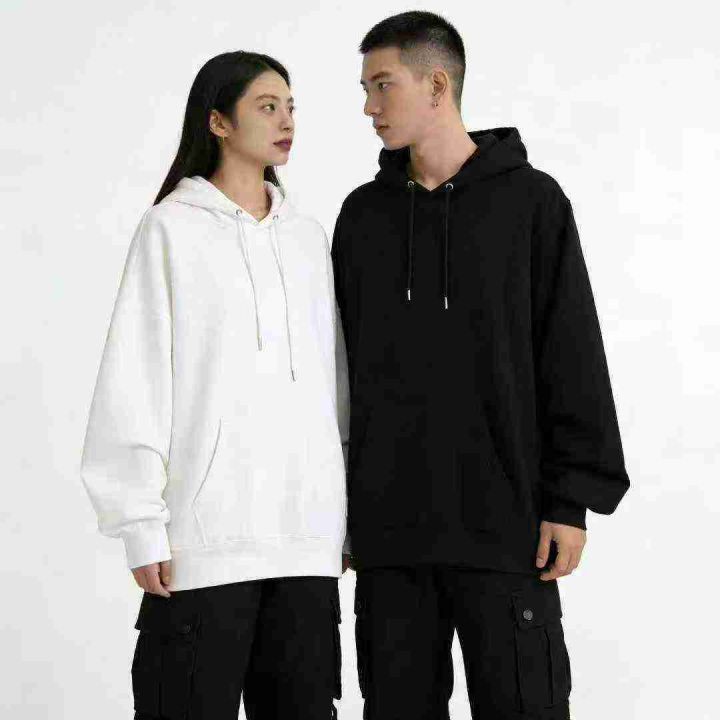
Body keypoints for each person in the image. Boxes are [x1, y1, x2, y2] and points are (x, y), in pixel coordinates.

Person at [331, 11, 630, 720]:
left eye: (382, 85)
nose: (369, 107)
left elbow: (571, 352)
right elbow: (335, 373)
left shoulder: (532, 203)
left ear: (437, 85)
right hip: (391, 537)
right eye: (364, 89)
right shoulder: (362, 218)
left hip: (508, 530)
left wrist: (568, 502)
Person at [80, 50, 350, 720]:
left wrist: (344, 518)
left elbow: (336, 385)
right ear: (219, 122)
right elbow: (135, 379)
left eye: (291, 107)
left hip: (307, 547)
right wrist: (140, 525)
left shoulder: (308, 238)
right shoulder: (170, 229)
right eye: (267, 106)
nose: (287, 121)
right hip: (204, 549)